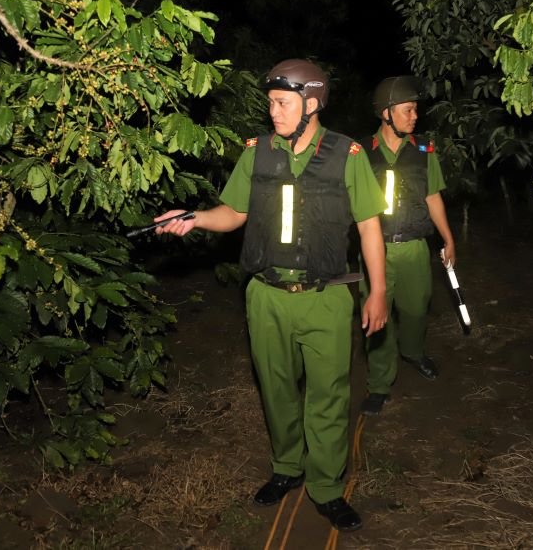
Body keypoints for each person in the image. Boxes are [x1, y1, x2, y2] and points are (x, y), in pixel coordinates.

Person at [154, 59, 388, 532]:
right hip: (265, 295)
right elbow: (233, 213)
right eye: (271, 104)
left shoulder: (348, 154)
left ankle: (325, 486)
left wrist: (378, 291)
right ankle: (287, 468)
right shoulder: (257, 153)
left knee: (327, 395)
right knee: (277, 390)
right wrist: (195, 218)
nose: (273, 113)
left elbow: (369, 226)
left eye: (282, 103)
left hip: (326, 297)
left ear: (312, 103)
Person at [360, 75, 457, 416]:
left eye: (416, 110)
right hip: (376, 252)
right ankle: (379, 384)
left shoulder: (422, 150)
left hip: (415, 247)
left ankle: (414, 352)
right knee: (377, 319)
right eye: (408, 110)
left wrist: (447, 237)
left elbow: (432, 195)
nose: (415, 116)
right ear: (386, 113)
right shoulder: (361, 154)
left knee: (416, 311)